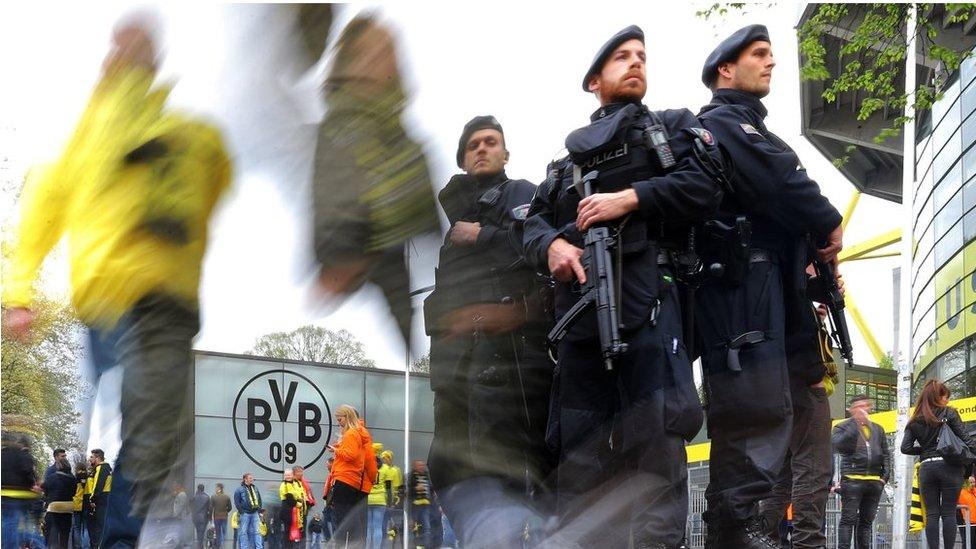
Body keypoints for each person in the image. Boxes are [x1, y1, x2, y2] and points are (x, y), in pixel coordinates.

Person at [1, 13, 231, 547]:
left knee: (149, 423)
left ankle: (133, 531)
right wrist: (18, 292)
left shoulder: (186, 136)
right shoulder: (98, 137)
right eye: (120, 51)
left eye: (135, 51)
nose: (124, 60)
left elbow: (216, 170)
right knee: (144, 422)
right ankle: (129, 533)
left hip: (155, 300)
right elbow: (42, 206)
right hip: (118, 298)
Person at [522, 25, 722, 548]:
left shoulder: (672, 128)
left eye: (641, 57)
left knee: (657, 449)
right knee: (581, 460)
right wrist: (553, 248)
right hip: (581, 324)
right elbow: (532, 223)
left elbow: (706, 187)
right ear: (594, 81)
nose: (635, 64)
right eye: (621, 58)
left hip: (651, 309)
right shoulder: (565, 166)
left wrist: (632, 198)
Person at [695, 24, 844, 548]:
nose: (771, 62)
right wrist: (829, 221)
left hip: (780, 300)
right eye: (759, 54)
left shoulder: (751, 128)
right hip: (748, 304)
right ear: (725, 70)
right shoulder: (722, 123)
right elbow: (783, 181)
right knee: (754, 431)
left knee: (792, 428)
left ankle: (782, 538)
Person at [423, 112, 554, 548]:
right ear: (463, 159)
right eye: (474, 144)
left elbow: (543, 248)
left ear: (505, 153)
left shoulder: (523, 195)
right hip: (459, 381)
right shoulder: (451, 229)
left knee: (514, 483)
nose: (482, 149)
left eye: (491, 142)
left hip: (515, 373)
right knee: (458, 475)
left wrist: (484, 237)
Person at [311, 14, 438, 346]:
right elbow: (328, 208)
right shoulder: (333, 133)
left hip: (410, 300)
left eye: (385, 51)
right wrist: (340, 262)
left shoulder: (410, 148)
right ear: (346, 62)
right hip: (341, 294)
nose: (375, 59)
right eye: (365, 51)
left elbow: (433, 236)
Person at [901, 379, 976, 549]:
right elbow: (968, 441)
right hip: (950, 467)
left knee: (932, 514)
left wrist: (927, 452)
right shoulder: (949, 414)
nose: (947, 400)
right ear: (937, 397)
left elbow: (905, 448)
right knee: (949, 512)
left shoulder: (914, 420)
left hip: (927, 469)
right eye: (945, 397)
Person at [830, 395, 889, 549]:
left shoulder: (878, 428)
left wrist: (884, 477)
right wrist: (855, 425)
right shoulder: (842, 427)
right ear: (852, 409)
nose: (863, 409)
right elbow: (837, 445)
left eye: (866, 405)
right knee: (848, 520)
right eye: (859, 406)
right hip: (852, 480)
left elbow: (886, 453)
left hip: (874, 482)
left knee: (866, 523)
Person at [327, 404, 374, 545]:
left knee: (341, 519)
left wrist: (337, 451)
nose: (338, 422)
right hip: (355, 482)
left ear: (347, 417)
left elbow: (351, 455)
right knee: (353, 522)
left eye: (339, 419)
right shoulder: (359, 434)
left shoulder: (351, 433)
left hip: (345, 480)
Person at [0, 425, 45, 549]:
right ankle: (39, 545)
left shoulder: (2, 456)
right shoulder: (21, 455)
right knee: (24, 525)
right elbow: (28, 473)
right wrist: (33, 484)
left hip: (3, 496)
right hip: (22, 495)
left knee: (7, 525)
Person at [44, 457, 79, 549]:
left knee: (52, 532)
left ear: (58, 466)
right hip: (68, 507)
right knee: (65, 534)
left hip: (54, 506)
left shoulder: (51, 477)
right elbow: (74, 492)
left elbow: (46, 491)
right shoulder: (73, 478)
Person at [86, 449, 112, 546]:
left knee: (97, 529)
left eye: (91, 457)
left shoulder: (101, 467)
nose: (89, 459)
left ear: (98, 458)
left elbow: (98, 485)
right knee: (100, 528)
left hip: (100, 502)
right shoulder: (106, 468)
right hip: (104, 501)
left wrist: (93, 500)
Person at [407, 460, 434, 549]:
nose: (421, 467)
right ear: (414, 467)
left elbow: (431, 489)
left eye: (422, 465)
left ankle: (426, 546)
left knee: (426, 527)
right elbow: (408, 492)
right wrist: (416, 488)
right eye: (419, 465)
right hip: (415, 506)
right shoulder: (411, 477)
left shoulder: (427, 475)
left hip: (426, 505)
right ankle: (413, 546)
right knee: (414, 527)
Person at [235, 473, 264, 549]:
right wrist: (242, 511)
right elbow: (237, 502)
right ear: (245, 479)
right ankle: (244, 547)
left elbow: (259, 499)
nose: (252, 480)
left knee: (257, 531)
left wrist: (259, 510)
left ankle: (258, 547)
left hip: (255, 513)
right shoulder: (239, 489)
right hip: (245, 514)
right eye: (250, 478)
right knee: (243, 532)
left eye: (252, 478)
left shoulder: (255, 488)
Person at [279, 469, 306, 547]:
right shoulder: (285, 484)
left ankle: (291, 546)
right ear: (284, 476)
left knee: (291, 530)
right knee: (287, 531)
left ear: (292, 475)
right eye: (286, 475)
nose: (288, 477)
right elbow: (289, 498)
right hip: (287, 509)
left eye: (289, 475)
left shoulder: (293, 484)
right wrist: (299, 504)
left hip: (292, 509)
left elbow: (298, 494)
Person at [70, 464, 90, 549]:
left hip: (77, 505)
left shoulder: (75, 478)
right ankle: (86, 546)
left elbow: (72, 492)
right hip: (86, 504)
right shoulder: (89, 478)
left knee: (77, 528)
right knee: (85, 527)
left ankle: (78, 546)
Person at [192, 483, 213, 549]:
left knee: (199, 532)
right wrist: (210, 518)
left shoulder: (194, 497)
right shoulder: (207, 497)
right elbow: (210, 508)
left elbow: (190, 506)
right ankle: (200, 546)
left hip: (195, 517)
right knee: (201, 532)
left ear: (198, 489)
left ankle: (200, 546)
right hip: (203, 517)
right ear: (203, 489)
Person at [958, 476, 976, 549]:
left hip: (974, 523)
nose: (972, 484)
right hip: (966, 523)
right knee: (967, 543)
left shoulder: (975, 491)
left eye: (974, 482)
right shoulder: (961, 492)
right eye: (970, 482)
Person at [213, 483, 233, 547]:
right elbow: (230, 507)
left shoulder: (214, 497)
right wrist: (226, 512)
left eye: (216, 488)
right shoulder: (227, 497)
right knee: (224, 531)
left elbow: (211, 507)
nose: (215, 489)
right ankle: (224, 545)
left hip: (216, 517)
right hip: (224, 516)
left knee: (218, 532)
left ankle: (219, 545)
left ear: (219, 488)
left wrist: (210, 516)